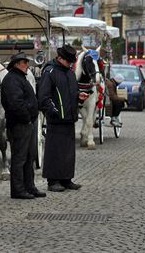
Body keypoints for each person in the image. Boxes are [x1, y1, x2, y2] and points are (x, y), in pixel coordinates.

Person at [38, 44, 89, 192]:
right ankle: (53, 180)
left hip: (69, 117)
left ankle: (66, 179)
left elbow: (71, 93)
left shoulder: (69, 73)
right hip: (56, 119)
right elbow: (44, 97)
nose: (70, 64)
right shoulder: (50, 72)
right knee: (54, 150)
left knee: (68, 151)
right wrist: (53, 111)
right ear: (60, 58)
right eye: (68, 61)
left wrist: (79, 97)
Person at [1, 52, 46, 199]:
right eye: (25, 63)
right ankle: (18, 190)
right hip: (20, 123)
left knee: (29, 156)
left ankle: (29, 187)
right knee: (20, 158)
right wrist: (27, 118)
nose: (27, 65)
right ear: (17, 64)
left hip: (27, 123)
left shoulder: (20, 78)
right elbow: (15, 103)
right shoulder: (12, 79)